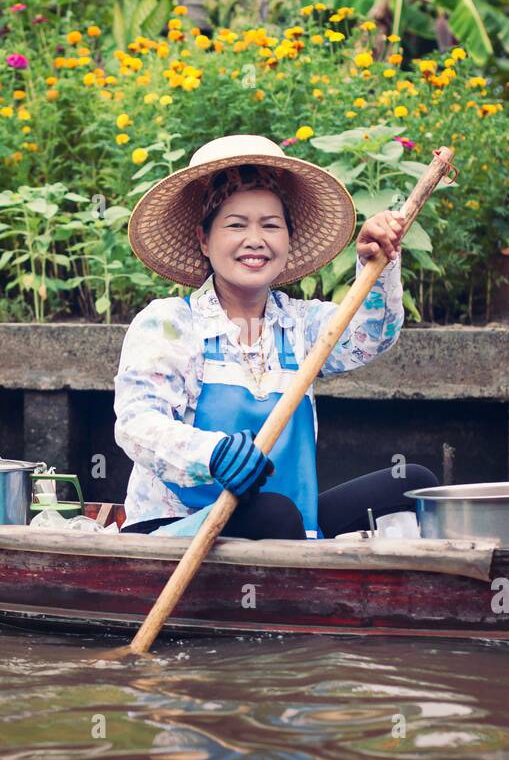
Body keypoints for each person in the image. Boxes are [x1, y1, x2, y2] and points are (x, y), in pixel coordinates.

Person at [114, 134, 437, 539]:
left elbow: (371, 338)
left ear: (287, 238)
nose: (256, 240)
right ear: (204, 239)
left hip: (286, 523)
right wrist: (212, 455)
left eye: (270, 225)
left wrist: (377, 263)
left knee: (412, 482)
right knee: (273, 514)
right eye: (235, 225)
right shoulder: (171, 323)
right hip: (177, 530)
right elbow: (136, 424)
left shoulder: (301, 325)